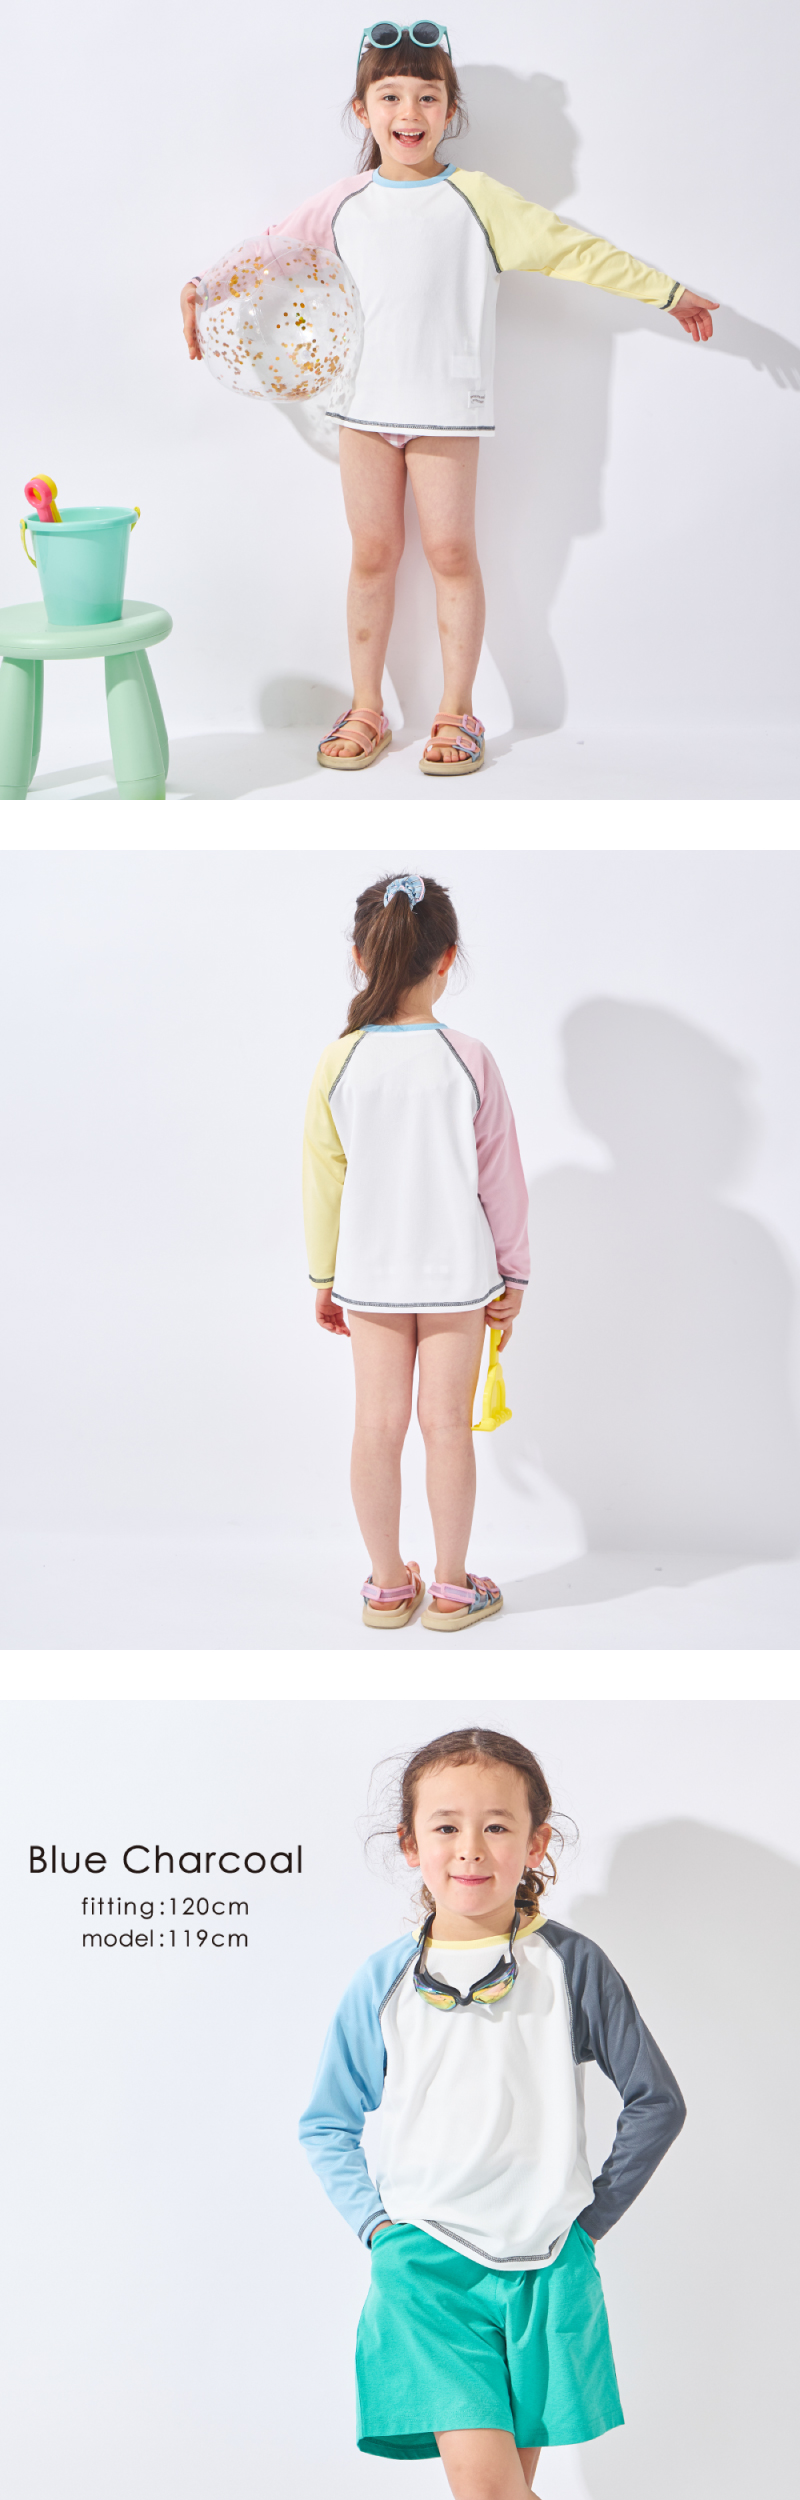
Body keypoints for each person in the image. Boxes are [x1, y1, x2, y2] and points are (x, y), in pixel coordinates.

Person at [180, 24, 717, 776]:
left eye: (428, 97)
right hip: (363, 411)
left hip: (445, 411)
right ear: (363, 110)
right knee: (372, 556)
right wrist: (201, 286)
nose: (410, 112)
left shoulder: (480, 201)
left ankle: (456, 710)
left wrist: (667, 292)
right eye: (390, 96)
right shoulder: (341, 203)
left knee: (451, 553)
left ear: (450, 110)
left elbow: (575, 249)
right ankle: (367, 708)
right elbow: (268, 251)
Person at [299, 1725, 686, 2498]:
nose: (471, 1849)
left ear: (537, 1842)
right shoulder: (384, 1980)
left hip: (548, 2268)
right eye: (446, 1827)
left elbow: (656, 2102)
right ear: (411, 1843)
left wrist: (589, 2223)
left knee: (507, 2491)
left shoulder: (572, 1966)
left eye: (498, 1827)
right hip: (426, 2271)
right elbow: (327, 2122)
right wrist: (380, 2230)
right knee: (488, 2492)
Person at [302, 871, 528, 1632]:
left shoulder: (339, 1061)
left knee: (376, 1426)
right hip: (458, 1275)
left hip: (369, 1276)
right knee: (446, 1427)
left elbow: (323, 1179)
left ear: (361, 958)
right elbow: (501, 1178)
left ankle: (388, 1586)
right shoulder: (470, 1058)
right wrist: (514, 1273)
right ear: (447, 957)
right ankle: (454, 1590)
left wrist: (325, 1276)